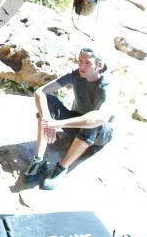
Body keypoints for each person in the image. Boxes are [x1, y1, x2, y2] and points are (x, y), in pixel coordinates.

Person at [26, 47, 116, 190]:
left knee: (93, 122)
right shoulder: (76, 75)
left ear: (99, 65)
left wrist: (57, 124)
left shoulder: (107, 85)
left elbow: (100, 117)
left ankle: (61, 168)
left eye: (87, 63)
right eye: (80, 61)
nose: (81, 66)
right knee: (48, 101)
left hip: (100, 133)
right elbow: (41, 92)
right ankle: (38, 160)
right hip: (76, 124)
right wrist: (47, 120)